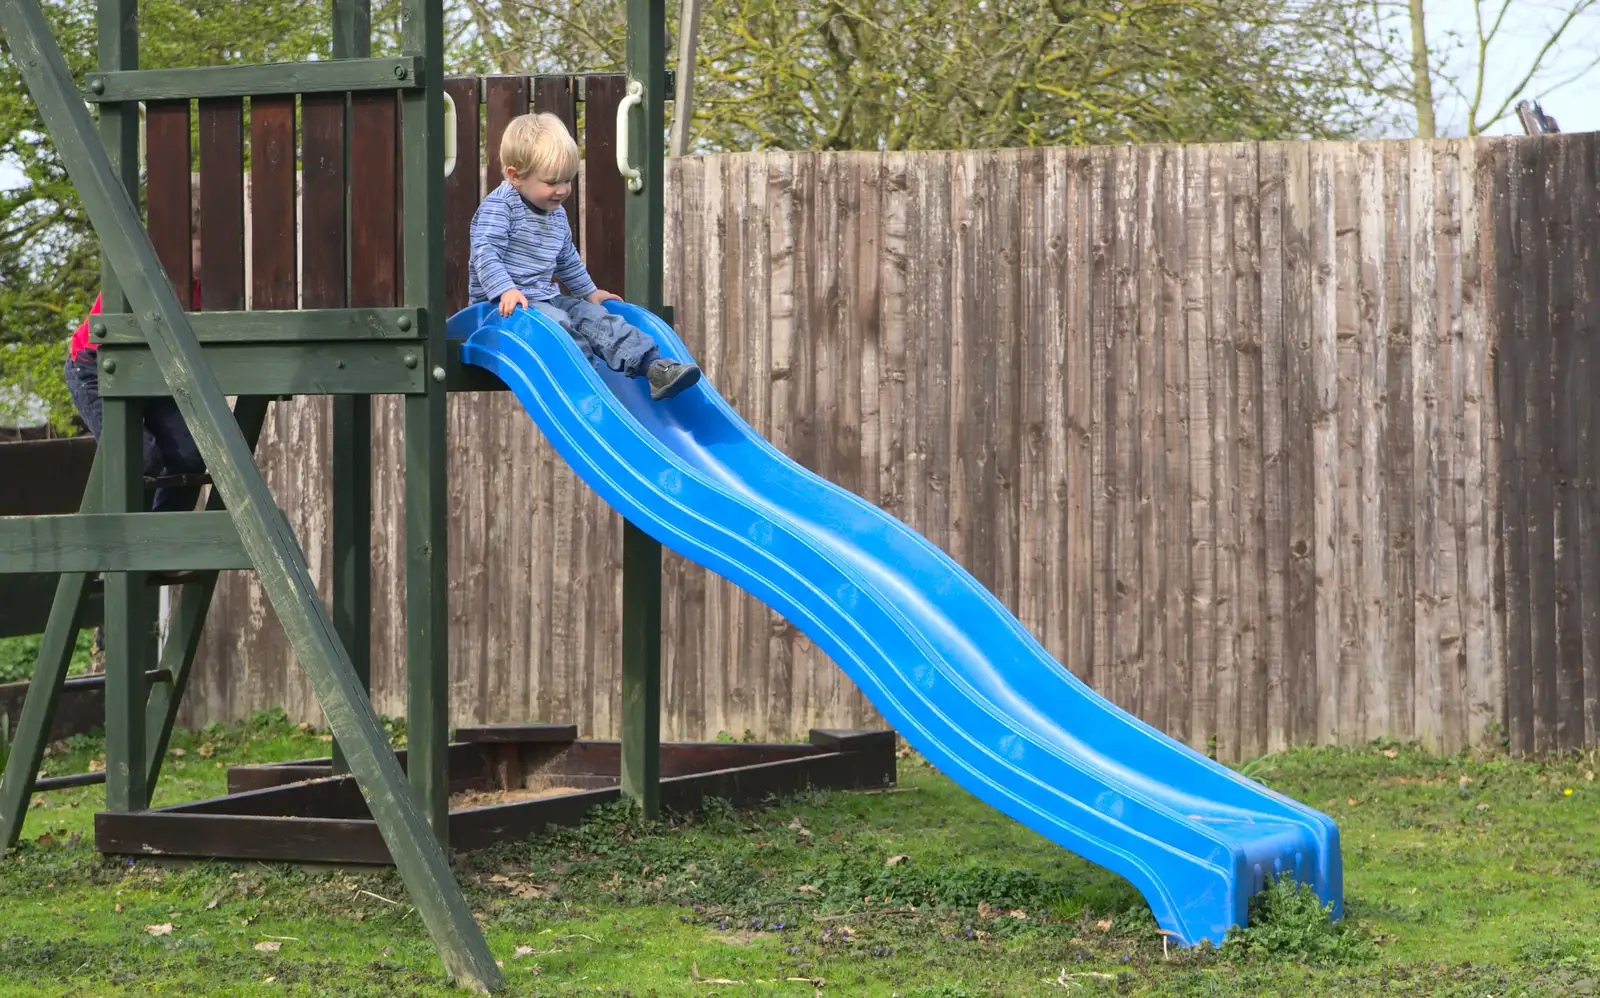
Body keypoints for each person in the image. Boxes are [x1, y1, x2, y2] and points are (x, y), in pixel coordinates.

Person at [468, 112, 701, 402]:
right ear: (515, 176)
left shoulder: (556, 214)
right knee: (558, 324)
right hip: (500, 308)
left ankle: (654, 367)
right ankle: (589, 386)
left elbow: (566, 258)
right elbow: (485, 252)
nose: (563, 190)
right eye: (552, 182)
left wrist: (588, 292)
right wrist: (505, 289)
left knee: (599, 319)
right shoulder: (500, 207)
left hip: (544, 298)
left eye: (568, 180)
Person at [63, 210, 206, 516]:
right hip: (96, 368)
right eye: (200, 251)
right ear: (180, 249)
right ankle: (134, 540)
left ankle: (161, 537)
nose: (208, 260)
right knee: (140, 456)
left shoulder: (205, 289)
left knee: (191, 455)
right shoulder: (147, 275)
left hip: (153, 375)